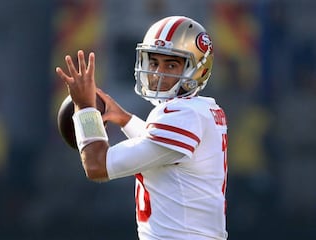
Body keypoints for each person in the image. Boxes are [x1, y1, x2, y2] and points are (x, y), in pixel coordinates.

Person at [55, 16, 228, 240]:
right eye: (154, 62)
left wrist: (85, 110)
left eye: (171, 64)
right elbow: (159, 152)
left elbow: (97, 165)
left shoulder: (182, 115)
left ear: (198, 69)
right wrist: (125, 119)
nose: (157, 73)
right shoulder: (204, 110)